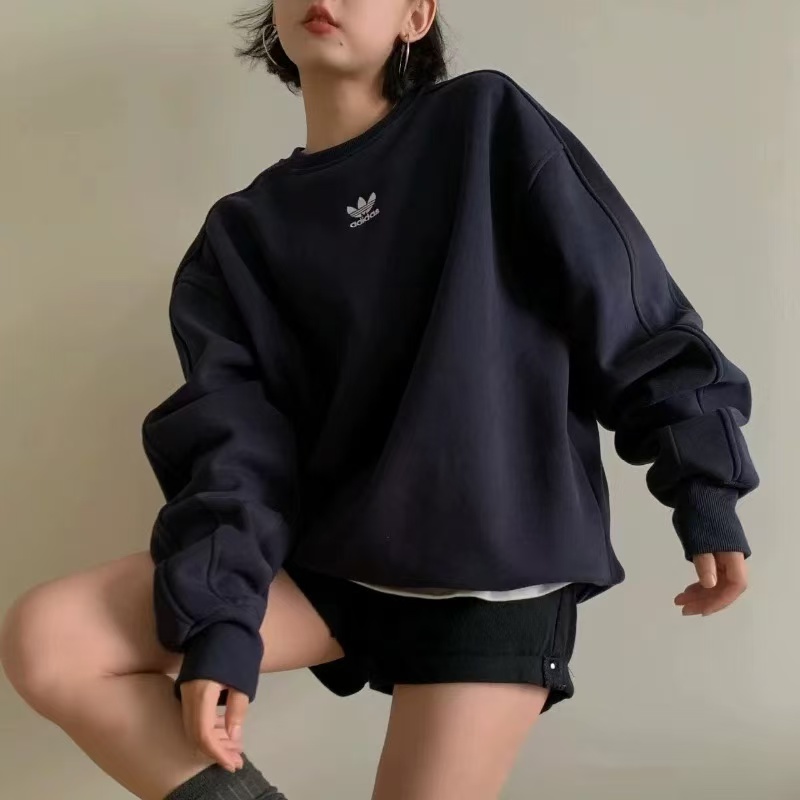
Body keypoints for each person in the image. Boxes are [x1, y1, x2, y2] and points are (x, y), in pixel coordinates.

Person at [0, 1, 759, 799]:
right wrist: (220, 622)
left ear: (416, 16)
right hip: (333, 568)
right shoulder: (238, 237)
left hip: (494, 572)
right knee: (51, 637)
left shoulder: (485, 124)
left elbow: (631, 307)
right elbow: (235, 453)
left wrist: (702, 484)